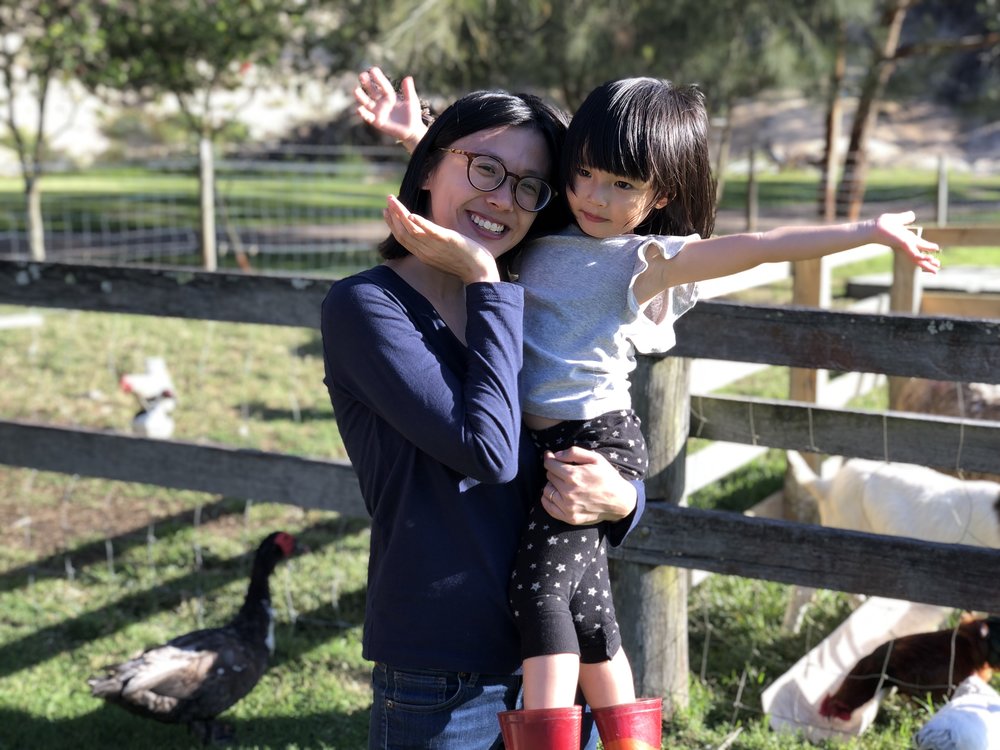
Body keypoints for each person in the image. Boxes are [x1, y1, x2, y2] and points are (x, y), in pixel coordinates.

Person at [356, 70, 942, 750]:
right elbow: (486, 188)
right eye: (584, 174)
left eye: (623, 186)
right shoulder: (546, 230)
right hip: (548, 451)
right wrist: (419, 137)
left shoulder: (641, 262)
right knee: (589, 610)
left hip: (595, 442)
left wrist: (866, 230)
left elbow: (757, 246)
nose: (596, 197)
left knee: (542, 598)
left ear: (657, 196)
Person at [323, 81, 647, 750]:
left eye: (529, 185)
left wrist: (625, 500)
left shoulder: (534, 300)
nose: (503, 198)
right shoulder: (368, 310)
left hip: (561, 660)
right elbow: (489, 450)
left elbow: (596, 432)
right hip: (446, 674)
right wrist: (482, 279)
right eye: (485, 169)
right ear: (428, 168)